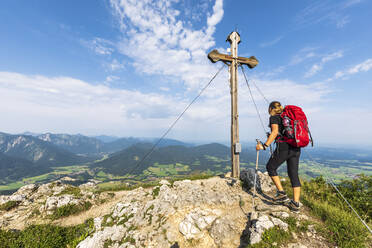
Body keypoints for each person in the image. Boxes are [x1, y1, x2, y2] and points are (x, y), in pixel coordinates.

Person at [256, 101, 302, 213]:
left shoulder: (274, 117)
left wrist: (264, 145)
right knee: (293, 174)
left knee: (270, 167)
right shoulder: (289, 117)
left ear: (271, 108)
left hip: (284, 148)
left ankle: (281, 193)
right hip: (296, 147)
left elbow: (275, 132)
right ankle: (295, 203)